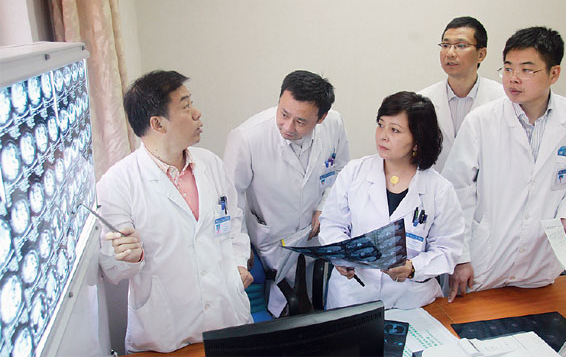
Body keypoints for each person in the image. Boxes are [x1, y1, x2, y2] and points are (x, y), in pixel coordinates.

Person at [98, 70, 253, 353]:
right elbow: (113, 269)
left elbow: (233, 225)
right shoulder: (117, 183)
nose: (196, 113)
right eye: (185, 106)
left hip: (227, 321)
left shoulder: (211, 164)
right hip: (165, 336)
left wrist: (238, 264)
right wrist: (131, 255)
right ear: (157, 123)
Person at [443, 27, 566, 302]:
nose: (513, 79)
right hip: (485, 258)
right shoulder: (482, 121)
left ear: (554, 74)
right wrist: (461, 257)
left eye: (527, 70)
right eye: (507, 68)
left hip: (542, 259)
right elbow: (458, 191)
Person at [319, 92, 464, 309]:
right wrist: (341, 257)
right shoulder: (354, 172)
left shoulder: (439, 189)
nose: (382, 136)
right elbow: (332, 224)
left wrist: (413, 268)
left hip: (411, 300)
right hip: (352, 295)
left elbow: (447, 249)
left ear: (417, 140)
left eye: (395, 130)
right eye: (381, 125)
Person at [223, 70, 350, 316]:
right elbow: (231, 201)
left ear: (321, 117)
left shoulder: (334, 124)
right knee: (281, 314)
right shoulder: (247, 138)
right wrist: (240, 248)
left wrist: (325, 204)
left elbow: (341, 169)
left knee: (320, 309)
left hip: (316, 239)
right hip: (273, 240)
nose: (288, 126)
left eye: (301, 121)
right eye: (283, 114)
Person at [418, 16, 505, 172]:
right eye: (445, 45)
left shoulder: (503, 100)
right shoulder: (422, 100)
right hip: (436, 191)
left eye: (461, 45)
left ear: (481, 54)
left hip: (485, 192)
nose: (450, 53)